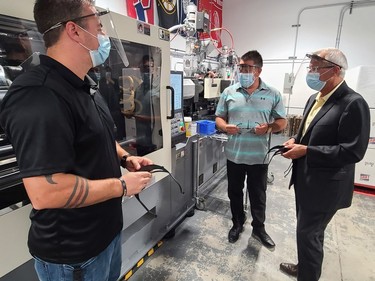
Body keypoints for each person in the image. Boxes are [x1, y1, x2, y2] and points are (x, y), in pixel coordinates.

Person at [0, 1, 153, 281]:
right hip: (74, 258)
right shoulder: (39, 95)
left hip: (105, 238)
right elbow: (45, 192)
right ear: (74, 31)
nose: (104, 33)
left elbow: (99, 136)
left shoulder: (84, 84)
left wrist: (124, 158)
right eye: (99, 25)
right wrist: (121, 185)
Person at [280, 48, 370, 280]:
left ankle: (307, 276)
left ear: (335, 71)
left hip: (326, 187)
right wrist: (295, 141)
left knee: (308, 234)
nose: (310, 73)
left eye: (315, 69)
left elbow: (353, 151)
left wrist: (307, 151)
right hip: (306, 180)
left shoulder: (353, 103)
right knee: (310, 233)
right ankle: (306, 267)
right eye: (310, 68)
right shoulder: (315, 98)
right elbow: (309, 132)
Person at [215, 50, 287, 248]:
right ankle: (237, 223)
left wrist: (269, 127)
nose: (243, 71)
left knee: (258, 194)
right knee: (234, 192)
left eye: (247, 67)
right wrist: (224, 126)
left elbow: (282, 122)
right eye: (241, 67)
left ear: (258, 70)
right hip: (234, 155)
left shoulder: (273, 94)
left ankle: (259, 228)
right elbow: (219, 117)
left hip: (259, 156)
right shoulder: (229, 92)